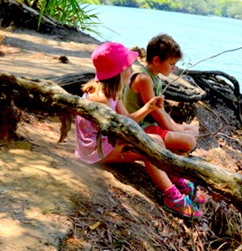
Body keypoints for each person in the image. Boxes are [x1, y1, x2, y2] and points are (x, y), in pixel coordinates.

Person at [74, 41, 202, 219]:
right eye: (128, 67)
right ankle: (173, 196)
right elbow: (120, 130)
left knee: (152, 142)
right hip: (96, 151)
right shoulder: (101, 98)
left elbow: (126, 120)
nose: (132, 71)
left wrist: (148, 107)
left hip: (108, 142)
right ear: (118, 72)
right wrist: (148, 141)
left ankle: (174, 178)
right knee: (149, 146)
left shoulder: (113, 93)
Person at [123, 34, 207, 205]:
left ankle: (175, 169)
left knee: (193, 130)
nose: (174, 68)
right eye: (171, 64)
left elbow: (161, 111)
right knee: (189, 142)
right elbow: (156, 114)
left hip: (151, 124)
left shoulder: (154, 76)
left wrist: (177, 128)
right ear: (156, 60)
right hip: (142, 127)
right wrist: (176, 131)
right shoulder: (144, 78)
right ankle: (175, 177)